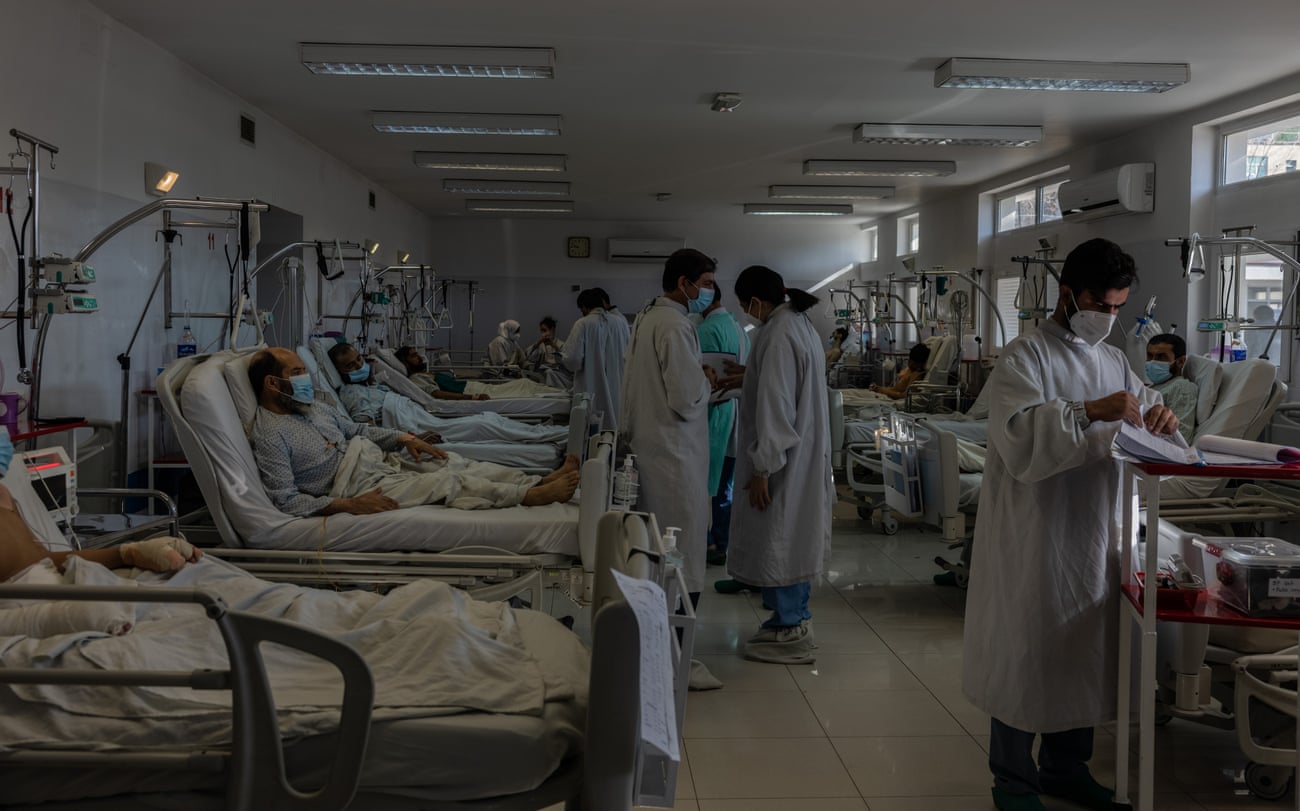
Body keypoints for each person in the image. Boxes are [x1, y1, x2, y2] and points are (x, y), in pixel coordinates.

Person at [961, 239, 1178, 811]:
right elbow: (1018, 437)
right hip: (1036, 533)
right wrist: (1088, 411)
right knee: (1027, 651)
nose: (1108, 319)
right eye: (1099, 306)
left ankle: (1065, 768)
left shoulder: (1112, 359)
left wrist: (1160, 413)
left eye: (1117, 308)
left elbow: (1144, 411)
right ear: (1066, 294)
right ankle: (1012, 779)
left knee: (1079, 651)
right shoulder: (1024, 356)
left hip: (1094, 529)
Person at [248, 348, 578, 517]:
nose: (306, 379)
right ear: (273, 383)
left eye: (306, 371)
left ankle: (533, 481)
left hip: (375, 460)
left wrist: (405, 438)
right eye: (297, 373)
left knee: (453, 462)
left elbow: (357, 428)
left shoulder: (315, 407)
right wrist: (345, 504)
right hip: (350, 483)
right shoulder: (270, 433)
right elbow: (285, 500)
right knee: (446, 482)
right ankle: (528, 497)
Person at [620, 249, 718, 689]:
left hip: (652, 449)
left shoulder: (647, 318)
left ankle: (657, 650)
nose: (709, 292)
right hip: (674, 459)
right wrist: (709, 382)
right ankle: (678, 663)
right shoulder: (676, 325)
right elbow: (685, 396)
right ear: (685, 283)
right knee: (681, 560)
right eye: (707, 282)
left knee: (660, 558)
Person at [726, 265, 833, 665]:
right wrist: (745, 376)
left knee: (782, 538)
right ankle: (788, 617)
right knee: (790, 537)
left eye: (744, 305)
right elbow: (777, 384)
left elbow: (776, 407)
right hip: (801, 454)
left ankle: (793, 626)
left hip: (784, 461)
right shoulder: (797, 323)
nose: (745, 312)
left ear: (756, 300)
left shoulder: (776, 335)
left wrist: (762, 469)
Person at [328, 343, 567, 448]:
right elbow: (367, 430)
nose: (358, 365)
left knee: (487, 419)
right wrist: (411, 437)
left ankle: (554, 433)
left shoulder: (374, 385)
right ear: (339, 371)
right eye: (350, 366)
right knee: (483, 422)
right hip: (414, 424)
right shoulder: (351, 394)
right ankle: (559, 435)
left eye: (358, 359)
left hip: (419, 414)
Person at [695, 284, 750, 567]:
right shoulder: (737, 327)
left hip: (715, 411)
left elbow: (703, 379)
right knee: (724, 483)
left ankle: (708, 542)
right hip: (734, 412)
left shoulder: (706, 330)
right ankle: (722, 541)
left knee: (707, 484)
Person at [563, 289, 629, 431]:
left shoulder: (583, 324)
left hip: (591, 389)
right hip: (618, 387)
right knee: (615, 427)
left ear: (584, 307)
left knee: (591, 431)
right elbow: (629, 355)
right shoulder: (621, 323)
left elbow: (572, 360)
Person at [393, 347, 564, 400]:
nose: (419, 357)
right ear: (405, 362)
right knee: (523, 387)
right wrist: (472, 398)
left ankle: (563, 394)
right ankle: (562, 396)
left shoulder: (424, 373)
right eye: (414, 356)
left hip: (471, 386)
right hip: (470, 392)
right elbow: (436, 394)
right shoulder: (416, 379)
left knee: (524, 384)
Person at [1145, 332, 1199, 443]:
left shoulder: (1182, 388)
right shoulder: (1155, 386)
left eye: (1161, 357)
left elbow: (1181, 437)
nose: (1152, 362)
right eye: (1150, 356)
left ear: (1180, 361)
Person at [525, 316, 573, 389]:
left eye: (545, 330)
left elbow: (566, 361)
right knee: (548, 372)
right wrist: (538, 343)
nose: (543, 333)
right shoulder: (540, 345)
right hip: (544, 372)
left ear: (552, 329)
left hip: (560, 372)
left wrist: (555, 346)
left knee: (551, 372)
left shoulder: (561, 344)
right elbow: (530, 358)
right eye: (541, 331)